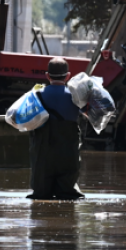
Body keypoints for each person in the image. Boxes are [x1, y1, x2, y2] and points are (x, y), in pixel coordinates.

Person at [28, 57, 85, 200]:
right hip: (68, 153)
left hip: (43, 153)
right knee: (68, 196)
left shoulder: (37, 95)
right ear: (68, 76)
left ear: (47, 75)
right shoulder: (75, 97)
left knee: (40, 197)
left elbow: (25, 120)